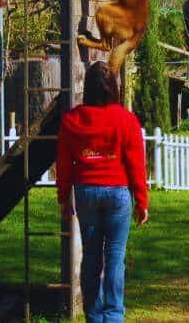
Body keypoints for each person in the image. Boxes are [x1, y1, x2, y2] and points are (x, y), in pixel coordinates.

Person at [56, 61, 148, 323]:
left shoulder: (72, 120)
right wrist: (142, 201)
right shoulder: (126, 120)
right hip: (118, 192)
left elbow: (64, 164)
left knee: (92, 257)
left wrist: (64, 199)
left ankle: (94, 316)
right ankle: (114, 315)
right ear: (113, 89)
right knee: (115, 258)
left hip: (86, 191)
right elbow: (136, 163)